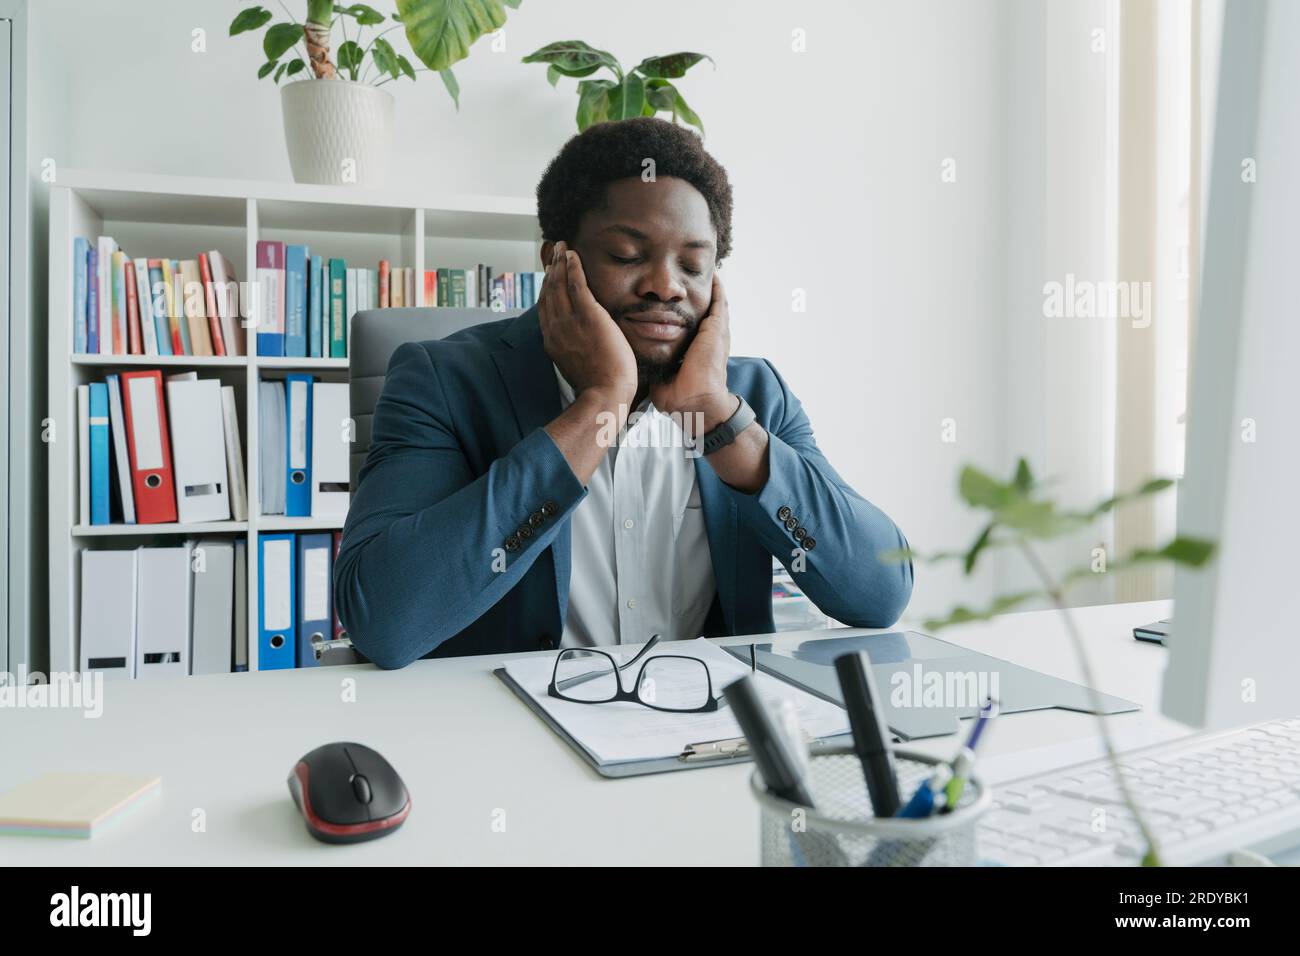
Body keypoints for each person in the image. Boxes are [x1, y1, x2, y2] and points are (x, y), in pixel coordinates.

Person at [334, 117, 912, 669]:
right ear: (558, 260)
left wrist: (717, 418)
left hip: (701, 732)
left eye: (693, 264)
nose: (666, 285)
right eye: (627, 256)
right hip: (510, 738)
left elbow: (879, 593)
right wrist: (600, 404)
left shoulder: (754, 394)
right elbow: (385, 619)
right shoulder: (443, 380)